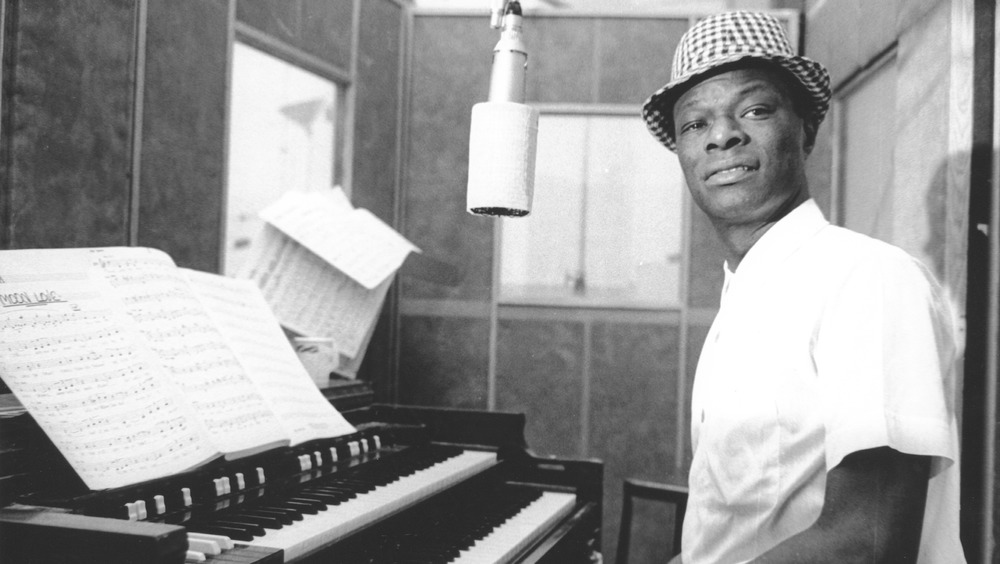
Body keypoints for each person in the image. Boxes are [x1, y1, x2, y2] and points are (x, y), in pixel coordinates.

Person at [640, 11, 965, 563]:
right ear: (683, 154)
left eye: (755, 109)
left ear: (807, 129)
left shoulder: (867, 279)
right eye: (695, 124)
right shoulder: (740, 302)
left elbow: (868, 542)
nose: (723, 135)